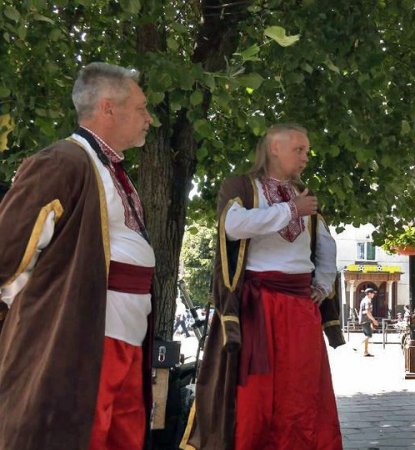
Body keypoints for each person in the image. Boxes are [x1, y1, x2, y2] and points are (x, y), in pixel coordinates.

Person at [0, 62, 155, 450]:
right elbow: (8, 250)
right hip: (83, 339)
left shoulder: (109, 169)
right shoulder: (62, 162)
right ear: (108, 108)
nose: (149, 118)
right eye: (141, 108)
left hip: (125, 338)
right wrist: (36, 316)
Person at [182, 124, 343, 450]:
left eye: (307, 151)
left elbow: (325, 243)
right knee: (255, 392)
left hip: (300, 306)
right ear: (274, 149)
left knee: (300, 389)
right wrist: (290, 210)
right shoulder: (241, 186)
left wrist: (323, 284)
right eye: (299, 150)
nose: (306, 157)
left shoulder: (304, 193)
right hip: (258, 307)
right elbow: (233, 226)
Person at [359, 287, 379, 357]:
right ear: (369, 293)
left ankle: (366, 351)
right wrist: (374, 320)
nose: (374, 294)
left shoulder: (364, 300)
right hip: (366, 320)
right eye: (373, 293)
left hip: (364, 320)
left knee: (367, 335)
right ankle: (356, 346)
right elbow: (367, 312)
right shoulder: (368, 301)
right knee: (368, 335)